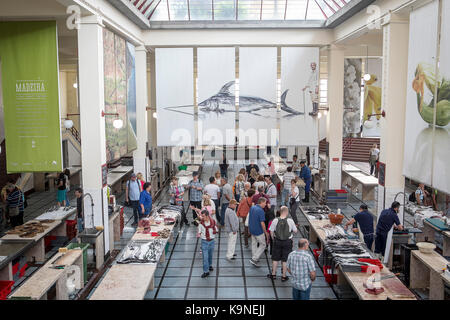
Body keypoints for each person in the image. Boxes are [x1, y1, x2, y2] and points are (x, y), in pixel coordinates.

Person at [268, 206, 298, 281]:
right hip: (287, 242)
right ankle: (283, 276)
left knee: (275, 259)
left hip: (277, 241)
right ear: (286, 212)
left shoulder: (275, 220)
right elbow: (295, 231)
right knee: (285, 259)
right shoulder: (290, 221)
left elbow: (271, 231)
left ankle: (273, 274)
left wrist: (273, 238)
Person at [248, 197, 269, 267]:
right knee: (263, 244)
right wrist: (265, 232)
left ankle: (254, 257)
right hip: (258, 230)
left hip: (252, 229)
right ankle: (254, 258)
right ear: (261, 202)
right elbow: (262, 223)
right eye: (265, 203)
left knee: (254, 243)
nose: (265, 204)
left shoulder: (252, 208)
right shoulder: (261, 211)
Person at [197, 209, 218, 278]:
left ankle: (210, 265)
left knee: (210, 255)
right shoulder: (201, 224)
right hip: (204, 242)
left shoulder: (213, 222)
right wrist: (198, 234)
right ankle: (206, 271)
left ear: (207, 216)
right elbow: (199, 232)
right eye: (201, 216)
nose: (202, 218)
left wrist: (215, 230)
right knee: (205, 257)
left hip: (212, 241)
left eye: (203, 216)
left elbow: (216, 230)